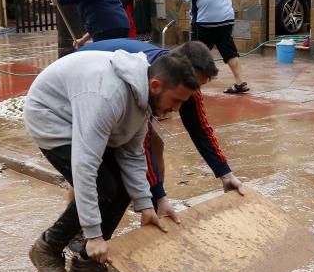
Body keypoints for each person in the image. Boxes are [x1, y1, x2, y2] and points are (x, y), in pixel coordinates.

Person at [23, 48, 200, 272]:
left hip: (81, 114)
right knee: (102, 186)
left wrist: (146, 205)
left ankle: (86, 266)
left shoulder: (143, 97)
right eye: (177, 101)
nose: (177, 109)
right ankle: (47, 248)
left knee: (120, 186)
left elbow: (133, 155)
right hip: (52, 117)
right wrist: (95, 235)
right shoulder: (108, 97)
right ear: (157, 85)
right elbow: (85, 167)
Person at [79, 38, 245, 220]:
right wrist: (158, 194)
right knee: (94, 163)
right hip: (85, 84)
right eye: (194, 84)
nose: (195, 91)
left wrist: (225, 174)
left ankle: (155, 204)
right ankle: (78, 225)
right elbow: (141, 145)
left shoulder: (184, 84)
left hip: (111, 85)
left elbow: (200, 128)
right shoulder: (151, 77)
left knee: (156, 144)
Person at [180, 0, 249, 95]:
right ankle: (240, 82)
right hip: (225, 17)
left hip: (205, 19)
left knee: (196, 52)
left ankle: (192, 86)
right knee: (228, 49)